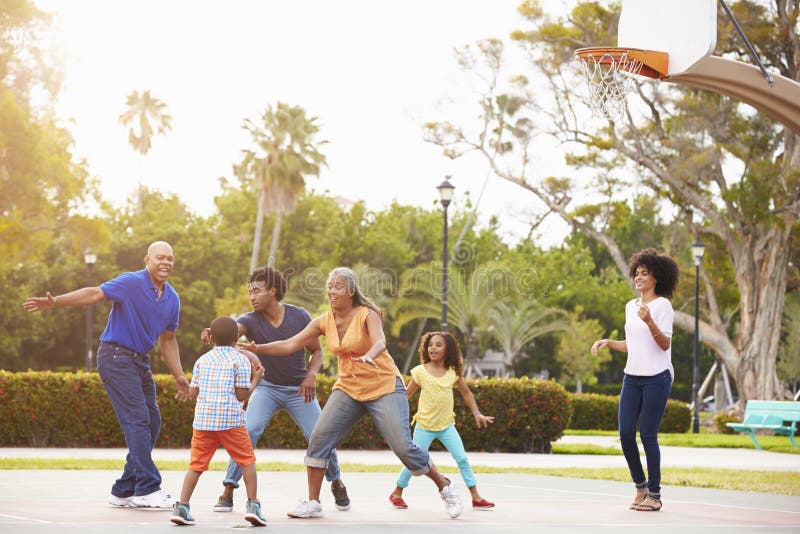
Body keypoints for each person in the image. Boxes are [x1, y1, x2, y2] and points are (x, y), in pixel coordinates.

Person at [241, 267, 463, 519]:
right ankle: (313, 502)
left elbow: (380, 341)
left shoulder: (367, 314)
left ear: (350, 291)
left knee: (403, 446)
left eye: (337, 286)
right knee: (319, 439)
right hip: (348, 389)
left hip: (384, 387)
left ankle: (445, 486)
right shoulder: (324, 321)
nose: (331, 291)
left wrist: (369, 355)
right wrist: (257, 347)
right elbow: (290, 344)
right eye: (329, 286)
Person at [22, 241, 190, 509]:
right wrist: (57, 302)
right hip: (115, 356)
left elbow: (168, 340)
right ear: (147, 259)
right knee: (138, 418)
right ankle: (147, 487)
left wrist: (179, 375)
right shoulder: (132, 282)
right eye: (160, 257)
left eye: (170, 258)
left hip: (140, 362)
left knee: (153, 421)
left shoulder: (172, 298)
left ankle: (124, 490)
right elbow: (94, 293)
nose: (166, 263)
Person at [204, 267, 350, 513]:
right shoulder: (250, 320)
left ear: (272, 291)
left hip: (298, 390)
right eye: (250, 291)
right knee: (247, 430)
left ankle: (336, 481)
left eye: (257, 291)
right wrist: (215, 332)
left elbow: (317, 351)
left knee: (320, 435)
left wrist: (311, 375)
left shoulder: (299, 316)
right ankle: (228, 489)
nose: (252, 296)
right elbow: (233, 329)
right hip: (267, 388)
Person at [590, 248, 679, 512]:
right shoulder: (631, 306)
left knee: (648, 435)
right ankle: (640, 486)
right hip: (632, 377)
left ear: (657, 277)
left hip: (657, 378)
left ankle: (655, 494)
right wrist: (608, 342)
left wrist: (650, 321)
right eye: (636, 273)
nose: (638, 278)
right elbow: (633, 344)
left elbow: (664, 344)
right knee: (626, 434)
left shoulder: (662, 306)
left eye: (645, 273)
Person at [170, 316, 267, 526]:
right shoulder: (241, 360)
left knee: (195, 465)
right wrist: (256, 379)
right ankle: (253, 505)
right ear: (236, 338)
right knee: (247, 461)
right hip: (231, 421)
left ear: (211, 337)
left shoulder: (201, 361)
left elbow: (194, 392)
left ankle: (182, 506)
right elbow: (242, 395)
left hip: (204, 422)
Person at [388, 331, 495, 511]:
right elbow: (406, 395)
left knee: (461, 458)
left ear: (448, 350)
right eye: (430, 345)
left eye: (438, 345)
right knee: (414, 460)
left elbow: (467, 393)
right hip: (424, 426)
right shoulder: (420, 371)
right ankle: (397, 493)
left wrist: (477, 412)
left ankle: (476, 497)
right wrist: (392, 413)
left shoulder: (452, 372)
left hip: (446, 426)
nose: (433, 348)